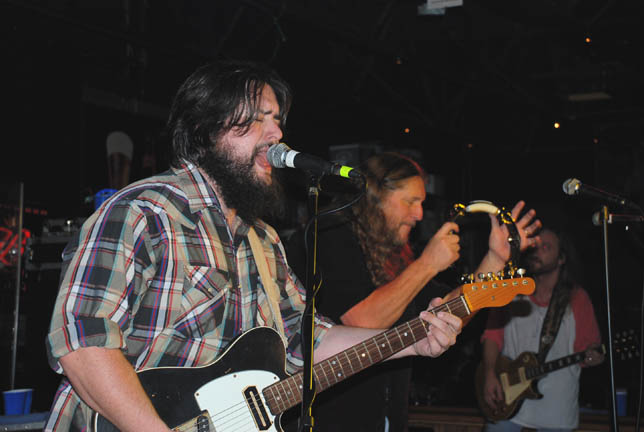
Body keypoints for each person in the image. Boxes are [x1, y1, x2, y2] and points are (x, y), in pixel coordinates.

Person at [43, 60, 463, 432]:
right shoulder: (143, 212)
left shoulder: (263, 239)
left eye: (277, 120)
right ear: (207, 128)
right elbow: (82, 341)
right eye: (260, 118)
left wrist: (410, 341)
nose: (277, 133)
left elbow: (309, 340)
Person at [284, 152, 542, 432]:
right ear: (375, 197)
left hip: (386, 418)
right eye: (410, 202)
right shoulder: (328, 235)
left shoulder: (398, 258)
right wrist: (428, 264)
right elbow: (362, 322)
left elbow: (446, 313)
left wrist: (494, 261)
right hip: (331, 420)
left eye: (421, 203)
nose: (419, 214)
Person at [480, 226, 604, 432]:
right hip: (505, 403)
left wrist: (594, 355)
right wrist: (489, 374)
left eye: (546, 247)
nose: (537, 251)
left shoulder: (577, 299)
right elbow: (492, 336)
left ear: (561, 259)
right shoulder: (510, 291)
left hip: (556, 413)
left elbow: (590, 348)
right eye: (535, 246)